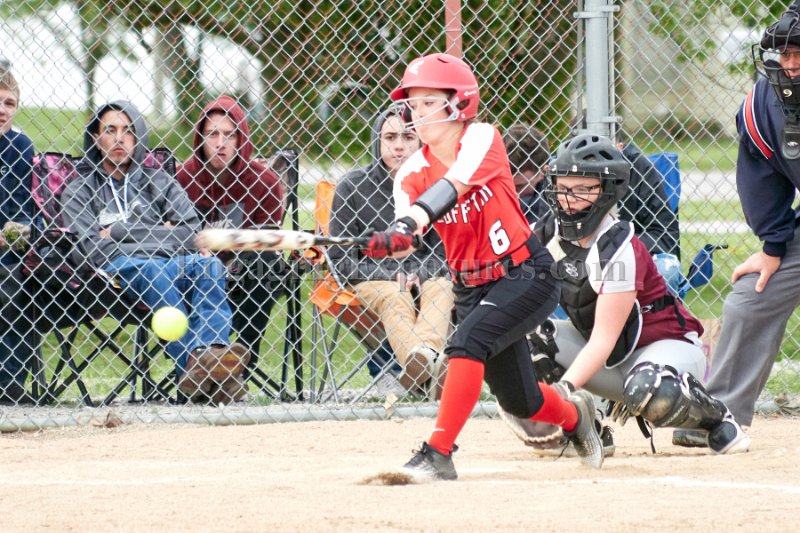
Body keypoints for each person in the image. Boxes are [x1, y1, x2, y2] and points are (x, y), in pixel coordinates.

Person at [364, 52, 604, 481]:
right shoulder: (409, 174)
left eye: (428, 103)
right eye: (412, 105)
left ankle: (438, 454)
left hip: (525, 273)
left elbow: (452, 186)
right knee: (521, 401)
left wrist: (409, 222)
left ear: (459, 102)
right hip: (471, 287)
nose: (416, 114)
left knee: (466, 343)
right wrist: (390, 242)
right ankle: (577, 416)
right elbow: (409, 234)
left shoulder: (482, 138)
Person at [500, 133, 750, 455]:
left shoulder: (619, 248)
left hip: (664, 351)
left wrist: (561, 393)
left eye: (583, 189)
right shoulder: (548, 233)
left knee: (648, 388)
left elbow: (603, 341)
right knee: (526, 337)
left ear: (608, 190)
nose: (569, 199)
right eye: (563, 188)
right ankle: (583, 430)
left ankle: (716, 420)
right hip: (610, 362)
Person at [61, 100, 249, 404]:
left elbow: (191, 234)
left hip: (169, 263)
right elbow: (92, 250)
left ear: (138, 138)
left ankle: (211, 356)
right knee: (154, 269)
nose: (119, 138)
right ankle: (198, 367)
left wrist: (119, 232)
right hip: (115, 272)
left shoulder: (159, 181)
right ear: (96, 138)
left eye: (128, 131)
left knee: (209, 265)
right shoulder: (79, 190)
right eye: (110, 130)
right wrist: (162, 232)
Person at [674, 3, 800, 445]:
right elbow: (762, 179)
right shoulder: (766, 102)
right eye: (785, 53)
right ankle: (719, 415)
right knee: (749, 301)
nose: (791, 64)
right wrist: (773, 246)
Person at [328, 105, 453, 396]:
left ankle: (421, 366)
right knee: (395, 294)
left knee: (443, 287)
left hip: (426, 276)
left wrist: (418, 273)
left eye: (408, 137)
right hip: (371, 278)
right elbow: (339, 260)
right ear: (377, 141)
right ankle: (429, 373)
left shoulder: (438, 186)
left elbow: (445, 252)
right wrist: (394, 274)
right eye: (390, 137)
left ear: (421, 141)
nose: (399, 146)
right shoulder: (352, 187)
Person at [176, 95, 286, 379]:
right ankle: (195, 366)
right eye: (212, 134)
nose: (220, 142)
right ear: (200, 138)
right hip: (194, 270)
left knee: (265, 262)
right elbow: (170, 236)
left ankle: (238, 368)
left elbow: (267, 240)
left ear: (242, 139)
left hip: (245, 272)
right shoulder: (181, 178)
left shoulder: (264, 181)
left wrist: (224, 244)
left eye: (229, 135)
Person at [0, 69, 36, 404]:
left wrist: (13, 233)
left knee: (14, 280)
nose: (2, 110)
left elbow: (27, 211)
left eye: (9, 103)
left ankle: (8, 382)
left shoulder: (21, 147)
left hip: (6, 248)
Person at [503, 123, 550, 225]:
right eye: (506, 184)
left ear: (543, 172)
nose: (513, 192)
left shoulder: (555, 198)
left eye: (519, 186)